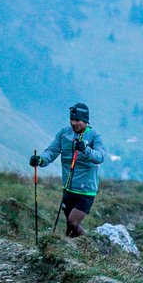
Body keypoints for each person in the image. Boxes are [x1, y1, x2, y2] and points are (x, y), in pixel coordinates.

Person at [30, 102, 107, 238]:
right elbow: (52, 151)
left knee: (73, 222)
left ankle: (92, 244)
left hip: (86, 190)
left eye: (77, 120)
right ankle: (77, 249)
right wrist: (40, 160)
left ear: (85, 120)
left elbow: (100, 157)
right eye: (71, 119)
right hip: (68, 188)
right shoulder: (64, 133)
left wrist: (85, 149)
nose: (73, 123)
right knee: (70, 229)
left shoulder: (94, 136)